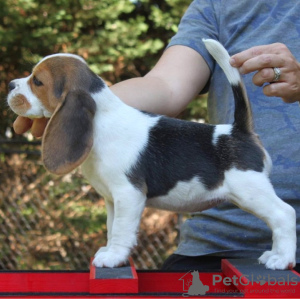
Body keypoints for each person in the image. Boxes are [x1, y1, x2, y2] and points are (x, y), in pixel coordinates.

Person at [13, 0, 300, 270]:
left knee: (261, 201)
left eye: (36, 82)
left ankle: (283, 237)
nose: (20, 86)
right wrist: (69, 118)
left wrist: (118, 249)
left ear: (69, 98)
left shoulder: (117, 140)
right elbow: (164, 85)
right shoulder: (215, 5)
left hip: (232, 153)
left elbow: (129, 193)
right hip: (209, 249)